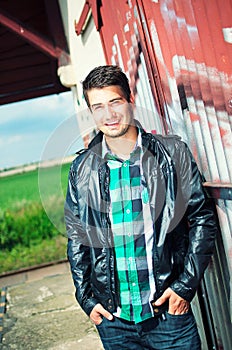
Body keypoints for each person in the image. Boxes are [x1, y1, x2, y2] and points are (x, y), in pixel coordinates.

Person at [65, 65, 218, 349]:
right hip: (114, 321)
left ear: (129, 100)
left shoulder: (172, 153)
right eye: (98, 106)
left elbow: (202, 218)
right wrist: (86, 299)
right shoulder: (81, 168)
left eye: (115, 102)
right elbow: (77, 237)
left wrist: (184, 287)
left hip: (168, 315)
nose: (108, 115)